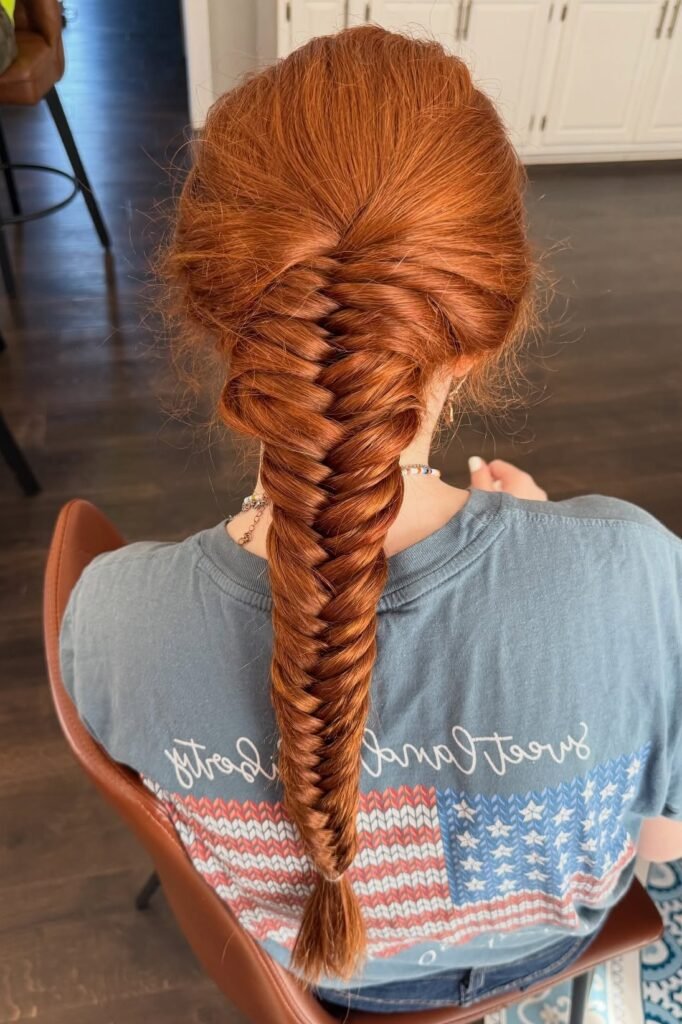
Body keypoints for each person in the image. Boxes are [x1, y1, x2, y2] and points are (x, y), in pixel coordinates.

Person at [58, 25, 682, 1015]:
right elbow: (661, 836)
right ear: (479, 337)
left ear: (225, 327)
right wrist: (562, 560)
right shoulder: (642, 579)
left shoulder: (110, 624)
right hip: (552, 947)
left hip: (319, 977)